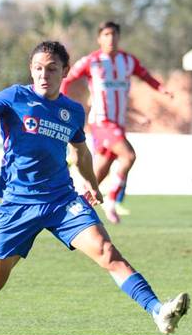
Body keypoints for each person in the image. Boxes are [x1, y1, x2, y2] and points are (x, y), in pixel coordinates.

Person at [0, 41, 189, 335]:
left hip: (62, 201)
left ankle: (159, 311)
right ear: (31, 70)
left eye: (51, 69)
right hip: (18, 204)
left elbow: (80, 152)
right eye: (38, 68)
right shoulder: (15, 96)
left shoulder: (72, 111)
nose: (44, 75)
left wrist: (90, 181)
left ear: (65, 71)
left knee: (106, 251)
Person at [60, 21, 173, 223]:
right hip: (101, 122)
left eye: (114, 34)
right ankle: (112, 200)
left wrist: (161, 88)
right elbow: (67, 78)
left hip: (119, 124)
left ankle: (75, 208)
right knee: (129, 156)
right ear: (99, 38)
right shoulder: (91, 61)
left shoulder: (128, 61)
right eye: (106, 34)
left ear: (119, 38)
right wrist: (60, 100)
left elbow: (146, 76)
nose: (110, 38)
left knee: (99, 173)